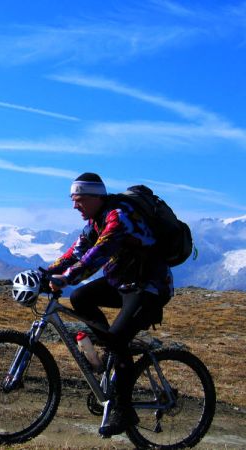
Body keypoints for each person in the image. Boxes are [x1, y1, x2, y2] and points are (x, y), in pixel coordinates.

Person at [40, 172, 173, 436]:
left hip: (148, 287)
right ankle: (110, 356)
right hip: (122, 284)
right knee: (80, 297)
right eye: (72, 200)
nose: (74, 206)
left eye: (78, 200)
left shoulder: (119, 216)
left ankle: (123, 411)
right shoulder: (95, 220)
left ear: (95, 197)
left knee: (116, 339)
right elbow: (77, 251)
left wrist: (65, 279)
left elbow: (96, 256)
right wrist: (46, 272)